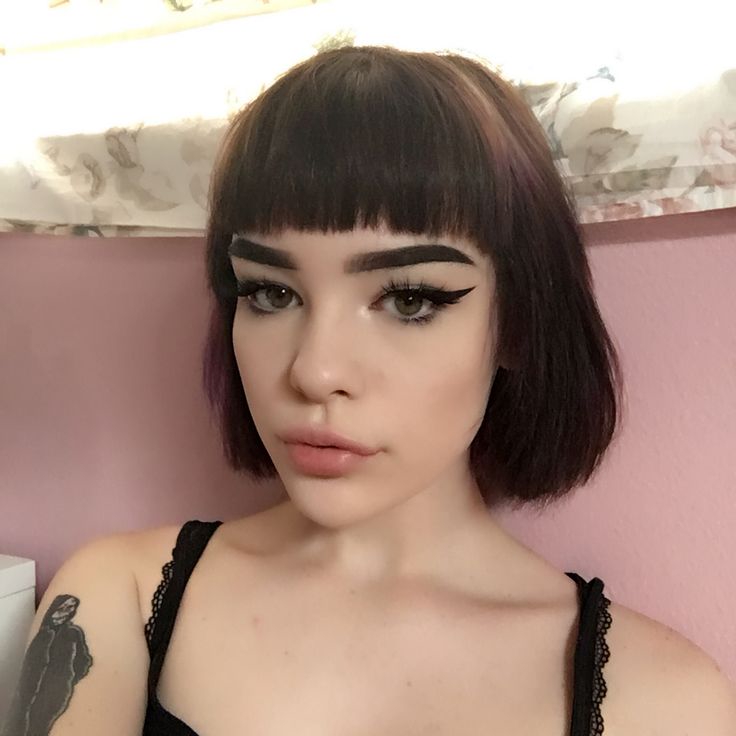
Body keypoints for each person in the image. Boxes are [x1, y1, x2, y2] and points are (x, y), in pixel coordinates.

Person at [4, 45, 735, 736]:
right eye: (270, 293)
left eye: (409, 299)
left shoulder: (665, 704)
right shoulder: (112, 602)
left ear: (518, 322)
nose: (315, 371)